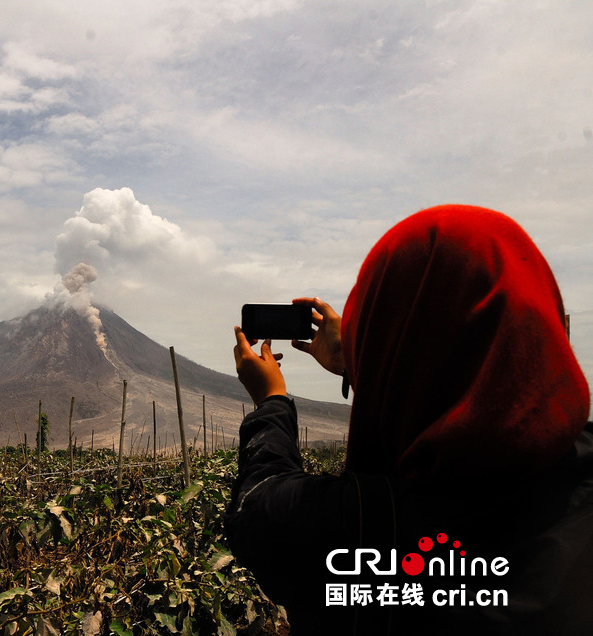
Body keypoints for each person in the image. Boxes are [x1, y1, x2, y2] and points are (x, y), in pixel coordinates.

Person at [225, 204, 593, 635]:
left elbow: (258, 506)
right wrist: (356, 362)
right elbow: (464, 385)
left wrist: (272, 399)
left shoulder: (362, 526)